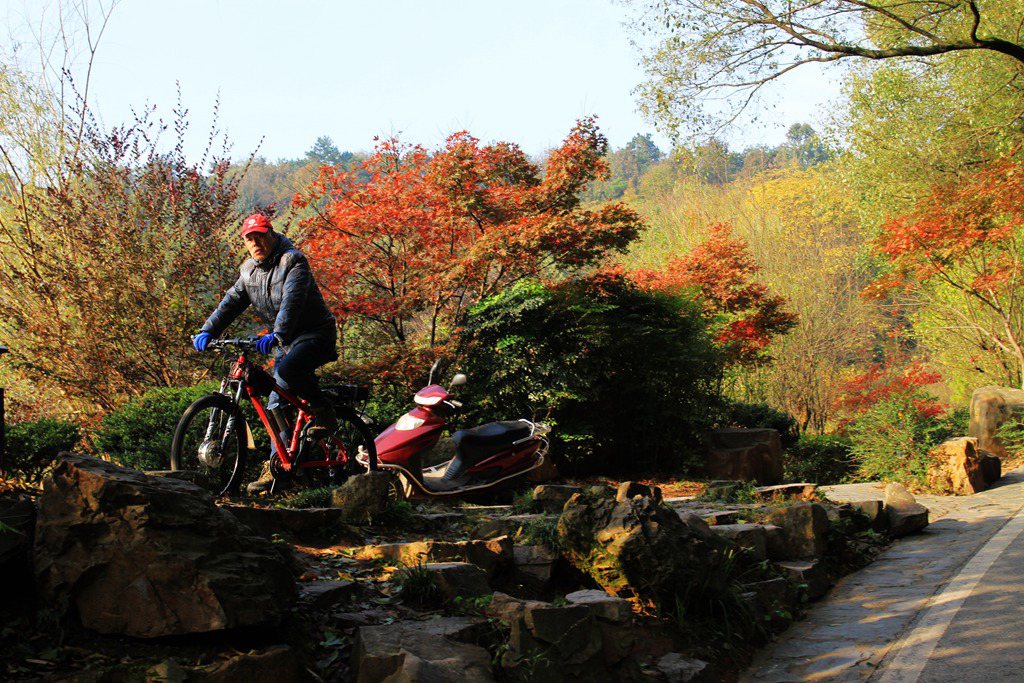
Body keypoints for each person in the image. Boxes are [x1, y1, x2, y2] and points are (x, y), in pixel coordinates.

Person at [193, 213, 338, 436]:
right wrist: (207, 330)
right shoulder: (248, 271)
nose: (255, 243)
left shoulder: (293, 261)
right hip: (285, 342)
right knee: (275, 405)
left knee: (290, 369)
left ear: (271, 234)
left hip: (315, 335)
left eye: (259, 236)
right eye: (249, 239)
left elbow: (292, 302)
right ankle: (283, 466)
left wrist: (277, 333)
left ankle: (324, 409)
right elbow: (230, 303)